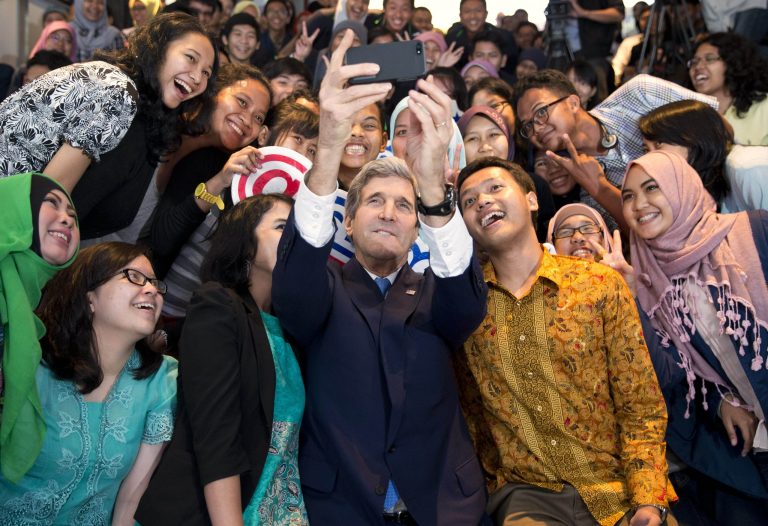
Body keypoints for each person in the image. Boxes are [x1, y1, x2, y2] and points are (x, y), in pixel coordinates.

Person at [271, 30, 488, 525]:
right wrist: (328, 147)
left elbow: (466, 301)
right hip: (342, 507)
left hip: (442, 508)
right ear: (346, 221)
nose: (389, 212)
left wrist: (433, 187)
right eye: (374, 201)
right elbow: (297, 274)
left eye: (403, 206)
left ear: (417, 225)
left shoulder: (436, 292)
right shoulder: (322, 291)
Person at [454, 156, 676, 526]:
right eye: (469, 201)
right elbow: (471, 416)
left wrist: (649, 501)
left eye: (495, 188)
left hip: (619, 488)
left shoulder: (598, 284)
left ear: (531, 199)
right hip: (528, 498)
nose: (483, 202)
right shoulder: (465, 308)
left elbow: (641, 406)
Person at [136, 194, 307, 525]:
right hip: (212, 514)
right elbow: (217, 434)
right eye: (282, 226)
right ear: (245, 243)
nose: (295, 237)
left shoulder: (294, 328)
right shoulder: (217, 304)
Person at [620, 150, 768, 521]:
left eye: (652, 188)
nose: (639, 204)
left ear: (681, 187)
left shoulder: (754, 229)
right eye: (628, 196)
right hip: (752, 440)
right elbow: (672, 376)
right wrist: (719, 401)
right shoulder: (647, 279)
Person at [0, 241, 177, 524]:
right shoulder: (30, 361)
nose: (152, 290)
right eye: (134, 277)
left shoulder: (160, 381)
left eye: (155, 283)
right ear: (89, 297)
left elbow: (132, 496)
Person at [0, 13, 217, 197]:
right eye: (190, 58)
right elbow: (50, 193)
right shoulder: (120, 94)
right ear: (159, 49)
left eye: (206, 72)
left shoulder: (113, 78)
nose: (198, 77)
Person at [159, 98, 318, 321]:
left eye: (312, 150)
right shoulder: (224, 171)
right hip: (164, 309)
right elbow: (163, 237)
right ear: (263, 136)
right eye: (297, 139)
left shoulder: (295, 214)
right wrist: (219, 181)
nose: (303, 153)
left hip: (218, 325)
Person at [514, 69, 717, 231]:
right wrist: (599, 187)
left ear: (573, 103)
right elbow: (642, 236)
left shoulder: (639, 94)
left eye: (541, 112)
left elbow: (715, 119)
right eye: (528, 125)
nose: (537, 128)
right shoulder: (588, 192)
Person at [0, 173, 80, 484]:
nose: (67, 220)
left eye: (73, 216)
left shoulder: (28, 320)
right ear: (14, 209)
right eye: (51, 204)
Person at [688, 32, 768, 145]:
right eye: (694, 62)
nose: (698, 67)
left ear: (732, 62)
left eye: (709, 59)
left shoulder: (764, 107)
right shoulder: (689, 115)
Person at [546, 202, 612, 260]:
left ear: (605, 240)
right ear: (552, 246)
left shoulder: (620, 272)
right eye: (565, 232)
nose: (578, 238)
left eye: (587, 229)